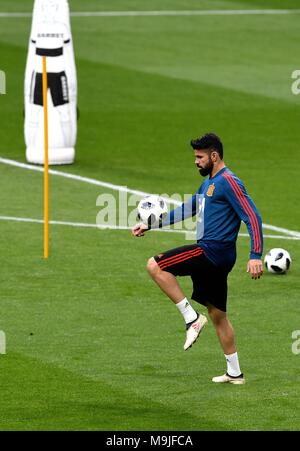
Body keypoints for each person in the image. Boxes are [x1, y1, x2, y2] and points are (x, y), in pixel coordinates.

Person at [132, 133, 263, 385]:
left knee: (155, 265)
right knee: (218, 315)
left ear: (214, 156)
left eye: (200, 157)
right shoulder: (209, 184)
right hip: (216, 255)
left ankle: (191, 319)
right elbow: (189, 209)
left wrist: (255, 254)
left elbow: (252, 217)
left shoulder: (229, 181)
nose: (196, 161)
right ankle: (235, 373)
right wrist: (152, 224)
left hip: (212, 251)